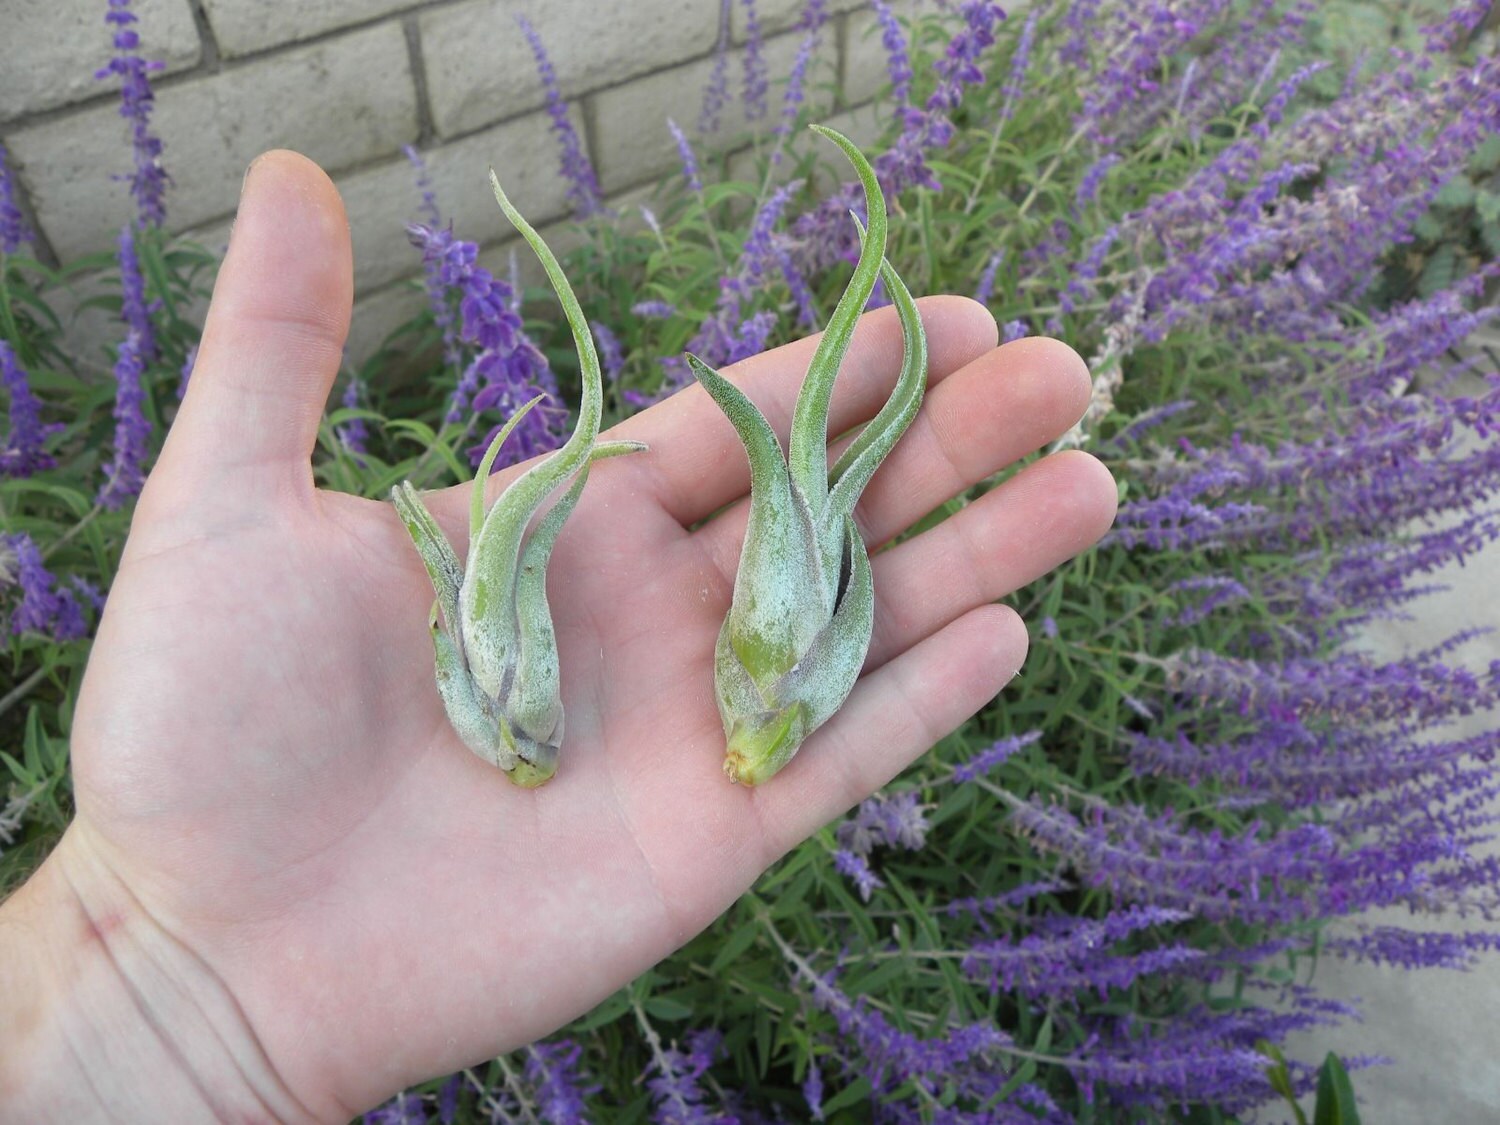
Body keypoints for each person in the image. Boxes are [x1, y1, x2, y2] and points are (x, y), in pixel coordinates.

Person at [0, 151, 1116, 1121]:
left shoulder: (592, 689)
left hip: (729, 687)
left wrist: (145, 987)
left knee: (769, 447)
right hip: (722, 687)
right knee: (748, 449)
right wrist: (147, 975)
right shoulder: (548, 694)